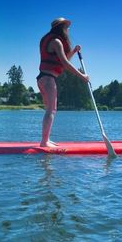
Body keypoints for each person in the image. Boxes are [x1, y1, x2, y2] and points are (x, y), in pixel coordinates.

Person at [37, 18, 89, 147]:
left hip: (42, 78)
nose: (68, 30)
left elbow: (63, 59)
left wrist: (73, 51)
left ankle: (45, 140)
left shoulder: (50, 40)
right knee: (51, 110)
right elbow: (65, 64)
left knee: (49, 110)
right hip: (48, 79)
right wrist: (82, 76)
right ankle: (44, 142)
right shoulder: (56, 41)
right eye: (66, 27)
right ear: (61, 28)